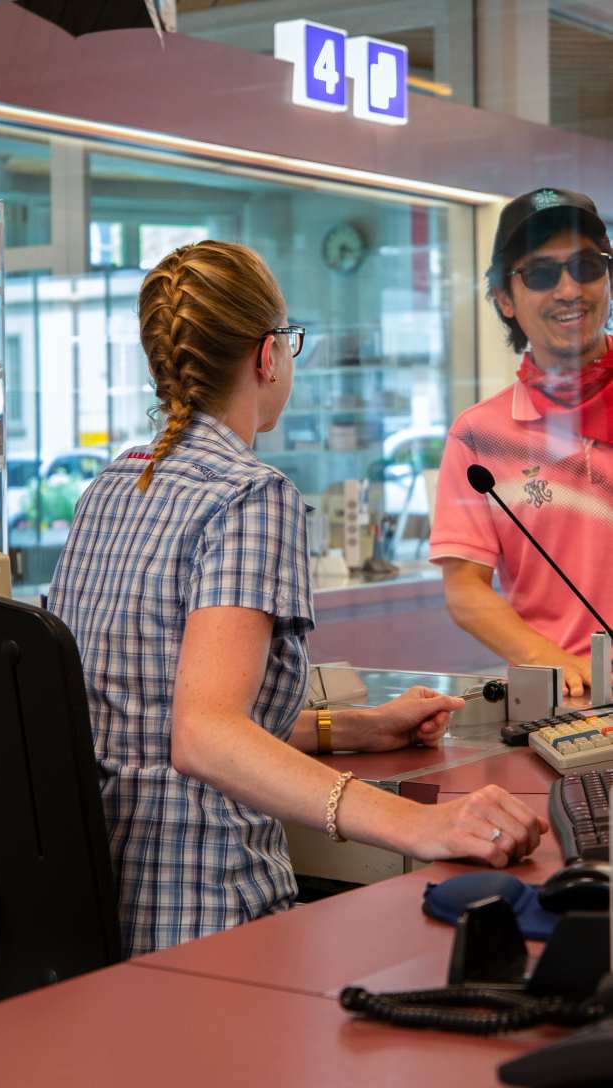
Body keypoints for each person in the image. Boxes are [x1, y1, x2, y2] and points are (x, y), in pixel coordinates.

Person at [47, 240, 547, 958]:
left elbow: (153, 718)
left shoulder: (109, 490)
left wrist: (352, 730)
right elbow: (204, 736)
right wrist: (419, 825)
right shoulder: (250, 495)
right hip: (211, 914)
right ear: (265, 356)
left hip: (104, 919)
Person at [429, 189, 613, 697]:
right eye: (541, 274)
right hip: (562, 706)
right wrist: (552, 661)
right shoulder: (479, 437)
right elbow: (465, 587)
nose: (570, 289)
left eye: (586, 266)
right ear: (505, 299)